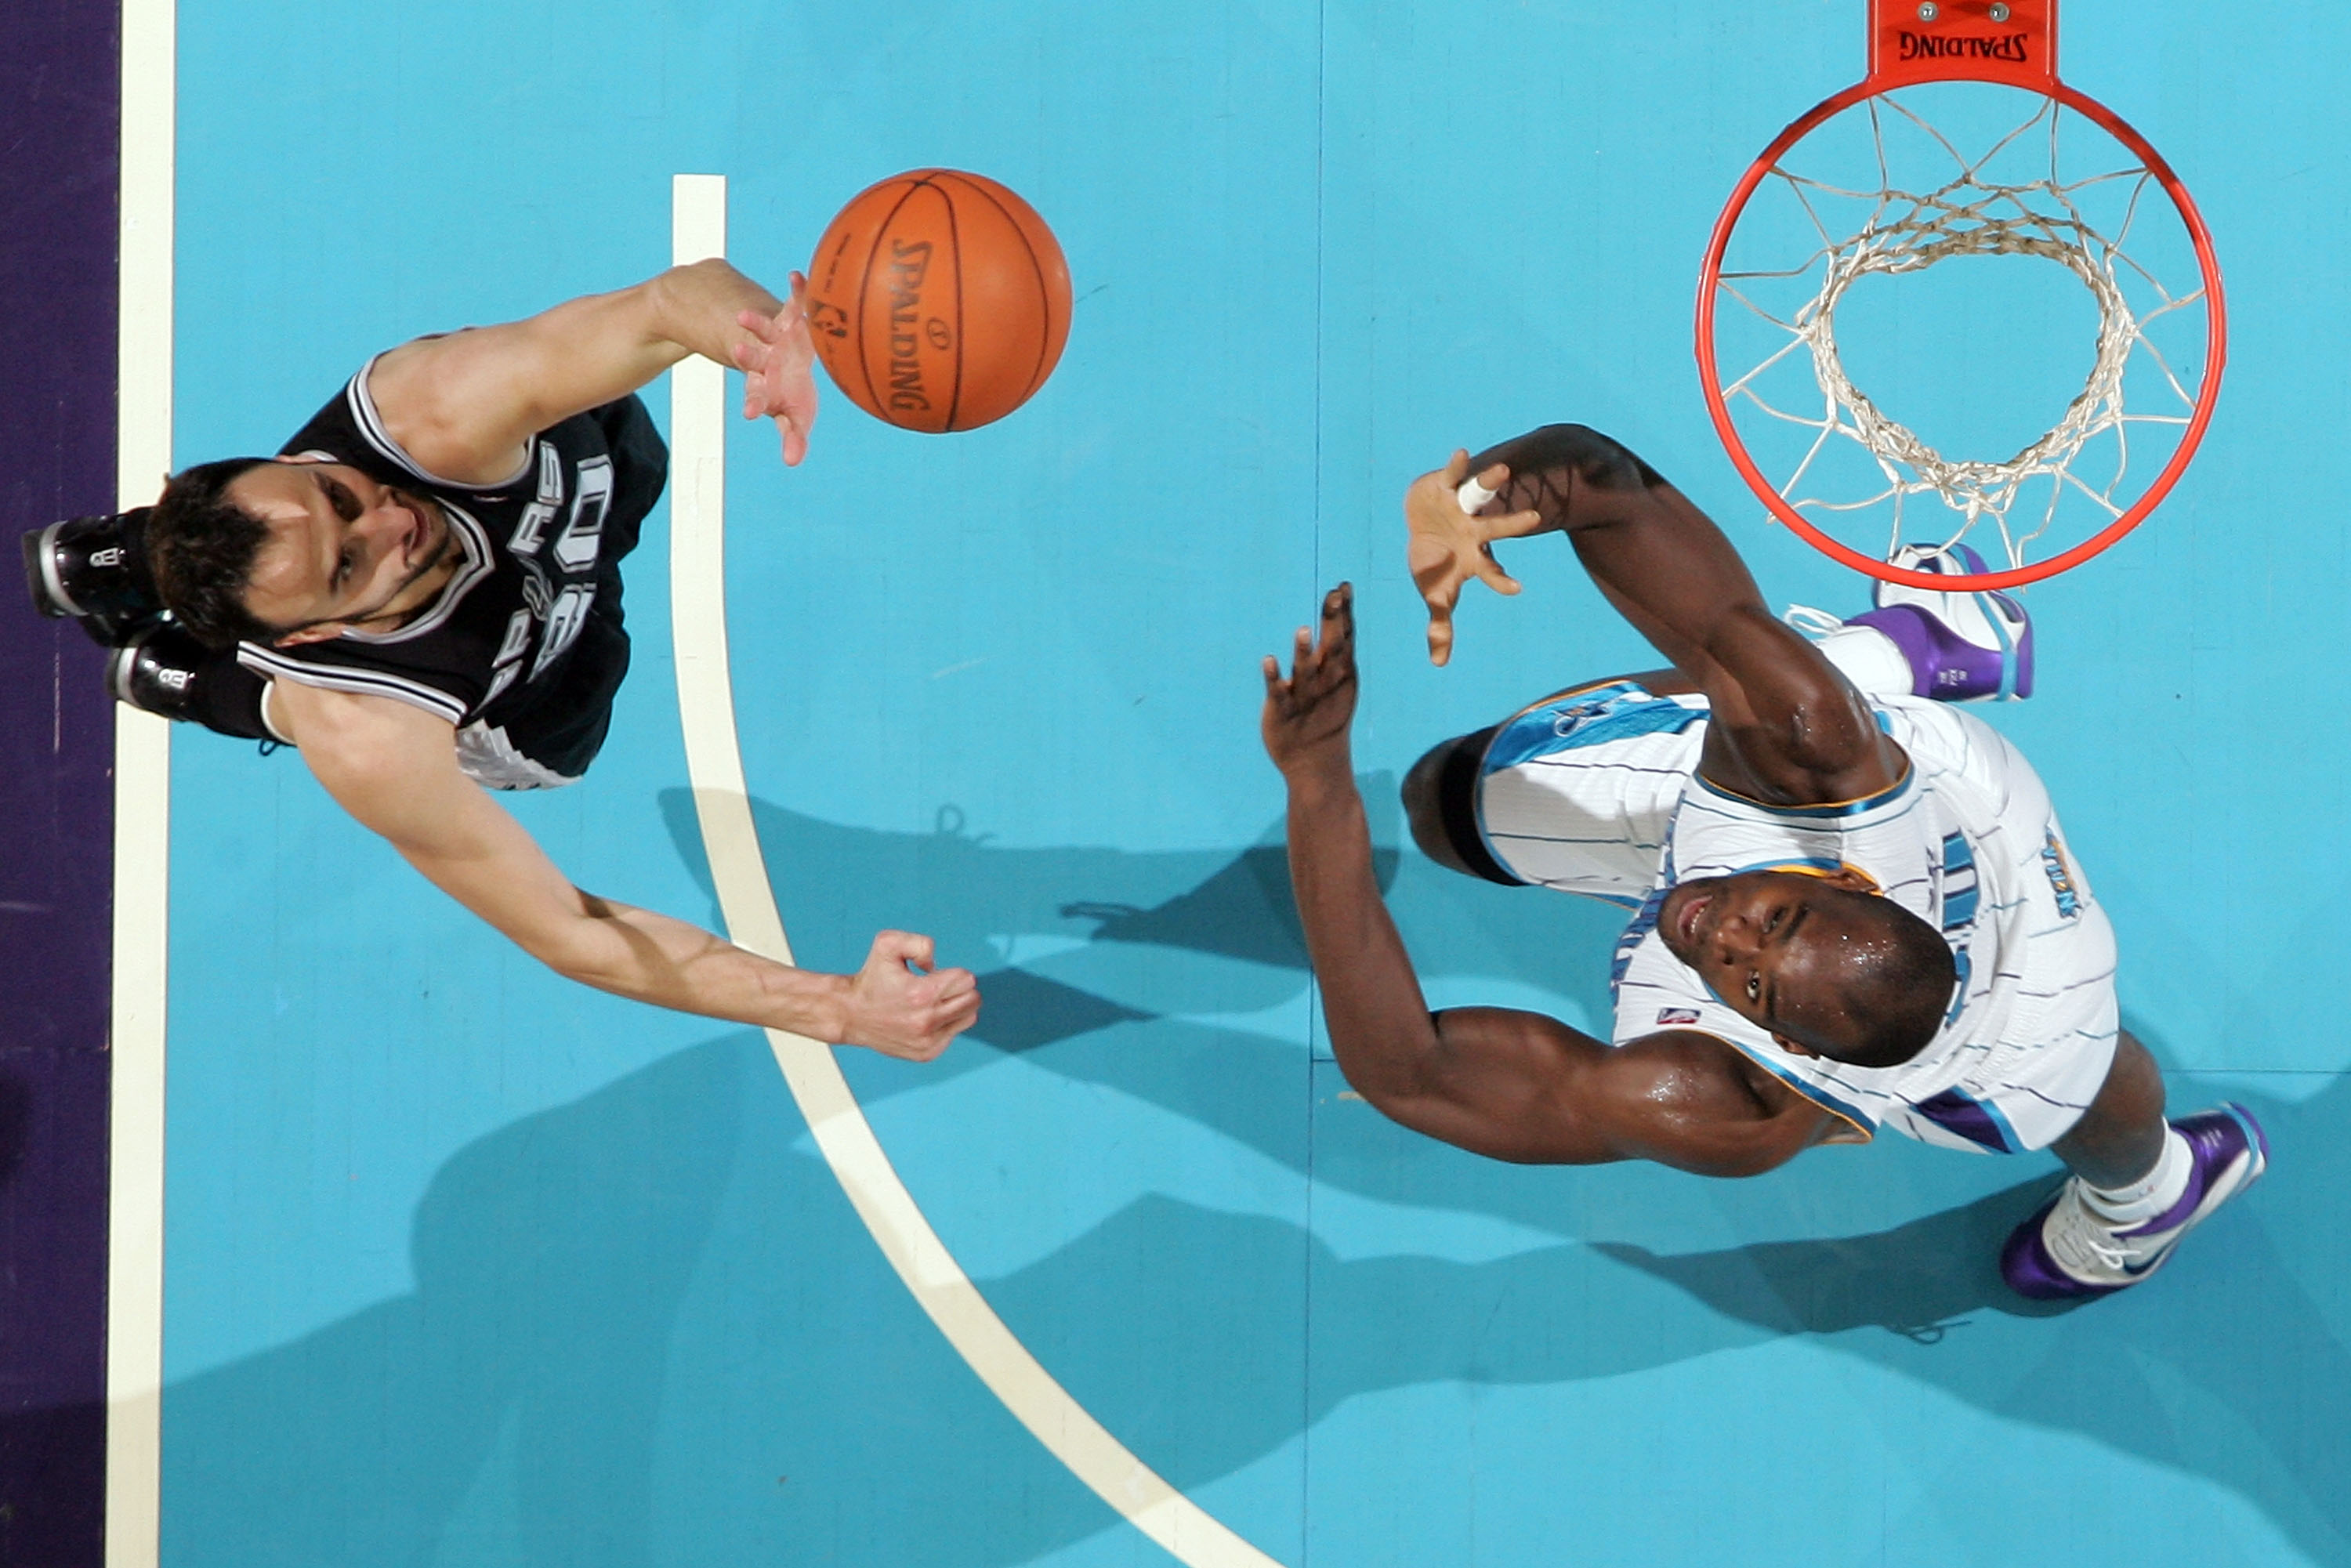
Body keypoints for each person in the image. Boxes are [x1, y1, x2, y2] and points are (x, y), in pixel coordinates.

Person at [1260, 422, 2263, 1299]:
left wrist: (1317, 783)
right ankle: (1914, 646)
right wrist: (1480, 493)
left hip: (2028, 966)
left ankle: (2151, 1200)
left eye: (1751, 982)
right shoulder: (1808, 753)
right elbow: (1601, 480)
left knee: (2073, 1072)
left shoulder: (1728, 1105)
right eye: (1775, 922)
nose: (1723, 931)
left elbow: (1411, 1075)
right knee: (1461, 793)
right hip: (1935, 787)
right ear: (1841, 878)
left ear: (1782, 1044)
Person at [99, 260, 977, 1059]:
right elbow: (573, 930)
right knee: (312, 711)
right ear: (311, 631)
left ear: (297, 461)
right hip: (535, 687)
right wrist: (834, 1010)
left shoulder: (432, 411)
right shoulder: (368, 730)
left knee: (615, 431)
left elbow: (672, 302)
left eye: (338, 496)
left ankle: (147, 548)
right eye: (347, 565)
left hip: (583, 497)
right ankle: (192, 677)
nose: (389, 523)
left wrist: (763, 339)